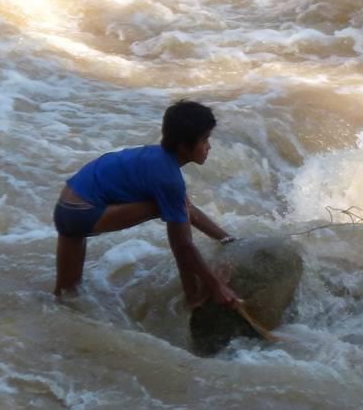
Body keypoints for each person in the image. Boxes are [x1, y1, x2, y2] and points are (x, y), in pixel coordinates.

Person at [52, 100, 244, 309]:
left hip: (65, 210)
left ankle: (55, 313)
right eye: (205, 139)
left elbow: (186, 209)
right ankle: (192, 297)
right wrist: (216, 286)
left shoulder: (155, 157)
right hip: (82, 213)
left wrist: (227, 240)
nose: (209, 146)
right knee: (176, 222)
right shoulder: (169, 179)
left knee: (67, 296)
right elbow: (182, 244)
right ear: (184, 145)